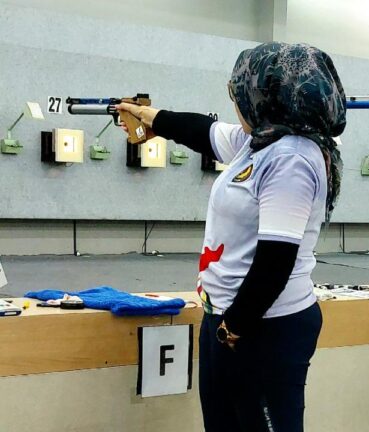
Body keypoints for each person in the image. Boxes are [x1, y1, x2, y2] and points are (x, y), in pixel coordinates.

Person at [117, 42, 346, 432]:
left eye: (240, 91)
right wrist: (151, 118)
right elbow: (202, 131)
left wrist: (233, 328)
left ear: (266, 97)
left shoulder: (290, 157)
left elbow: (275, 261)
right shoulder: (260, 142)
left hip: (265, 326)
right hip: (229, 320)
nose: (237, 100)